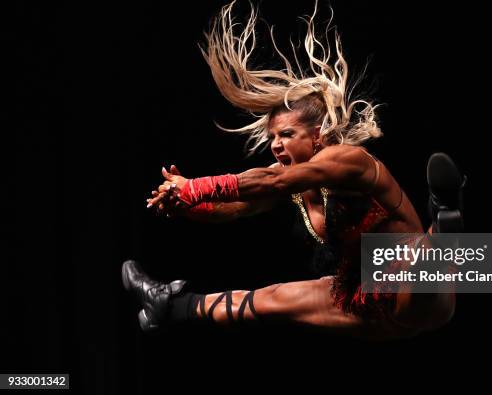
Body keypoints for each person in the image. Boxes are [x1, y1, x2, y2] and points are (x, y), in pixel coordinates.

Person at [123, 1, 465, 340]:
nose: (276, 145)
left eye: (287, 135)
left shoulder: (349, 160)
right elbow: (232, 209)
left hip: (413, 287)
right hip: (363, 299)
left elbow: (270, 180)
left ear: (316, 137)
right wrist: (186, 206)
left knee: (419, 267)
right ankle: (167, 305)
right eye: (272, 137)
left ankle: (442, 220)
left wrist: (194, 186)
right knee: (272, 299)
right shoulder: (291, 181)